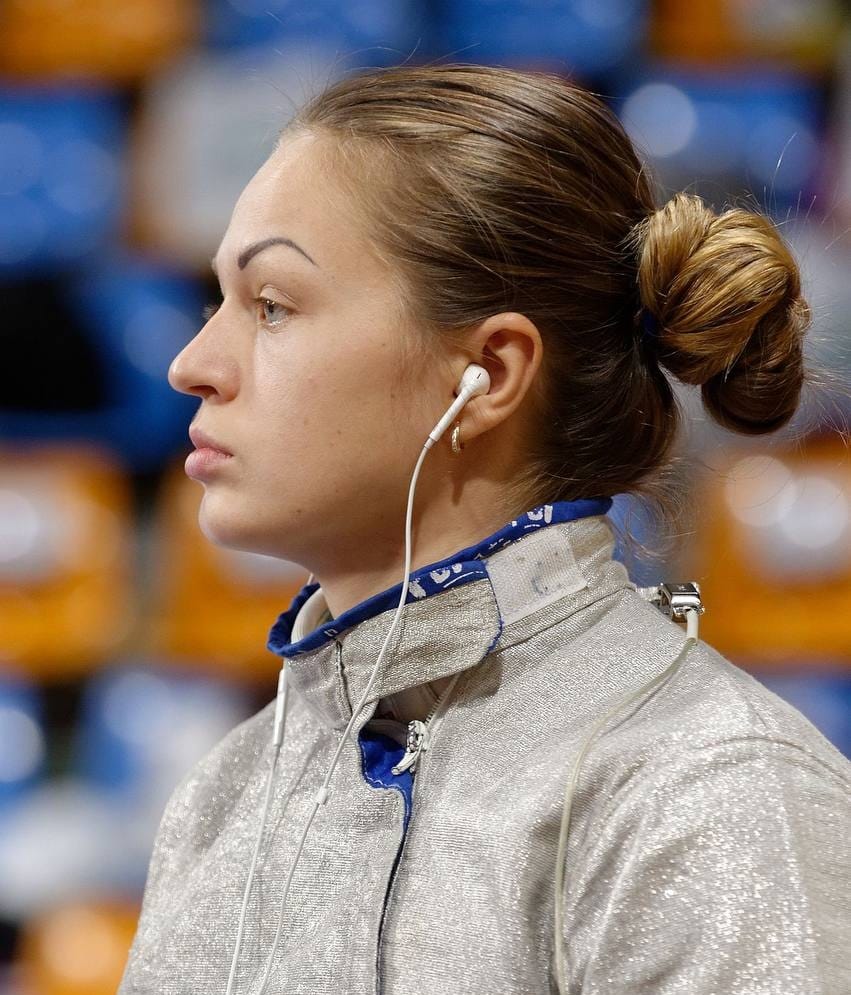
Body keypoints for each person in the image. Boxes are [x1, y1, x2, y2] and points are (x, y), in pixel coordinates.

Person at [117, 64, 850, 995]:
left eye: (271, 305)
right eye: (213, 301)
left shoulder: (707, 793)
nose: (191, 363)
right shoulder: (223, 800)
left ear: (488, 375)